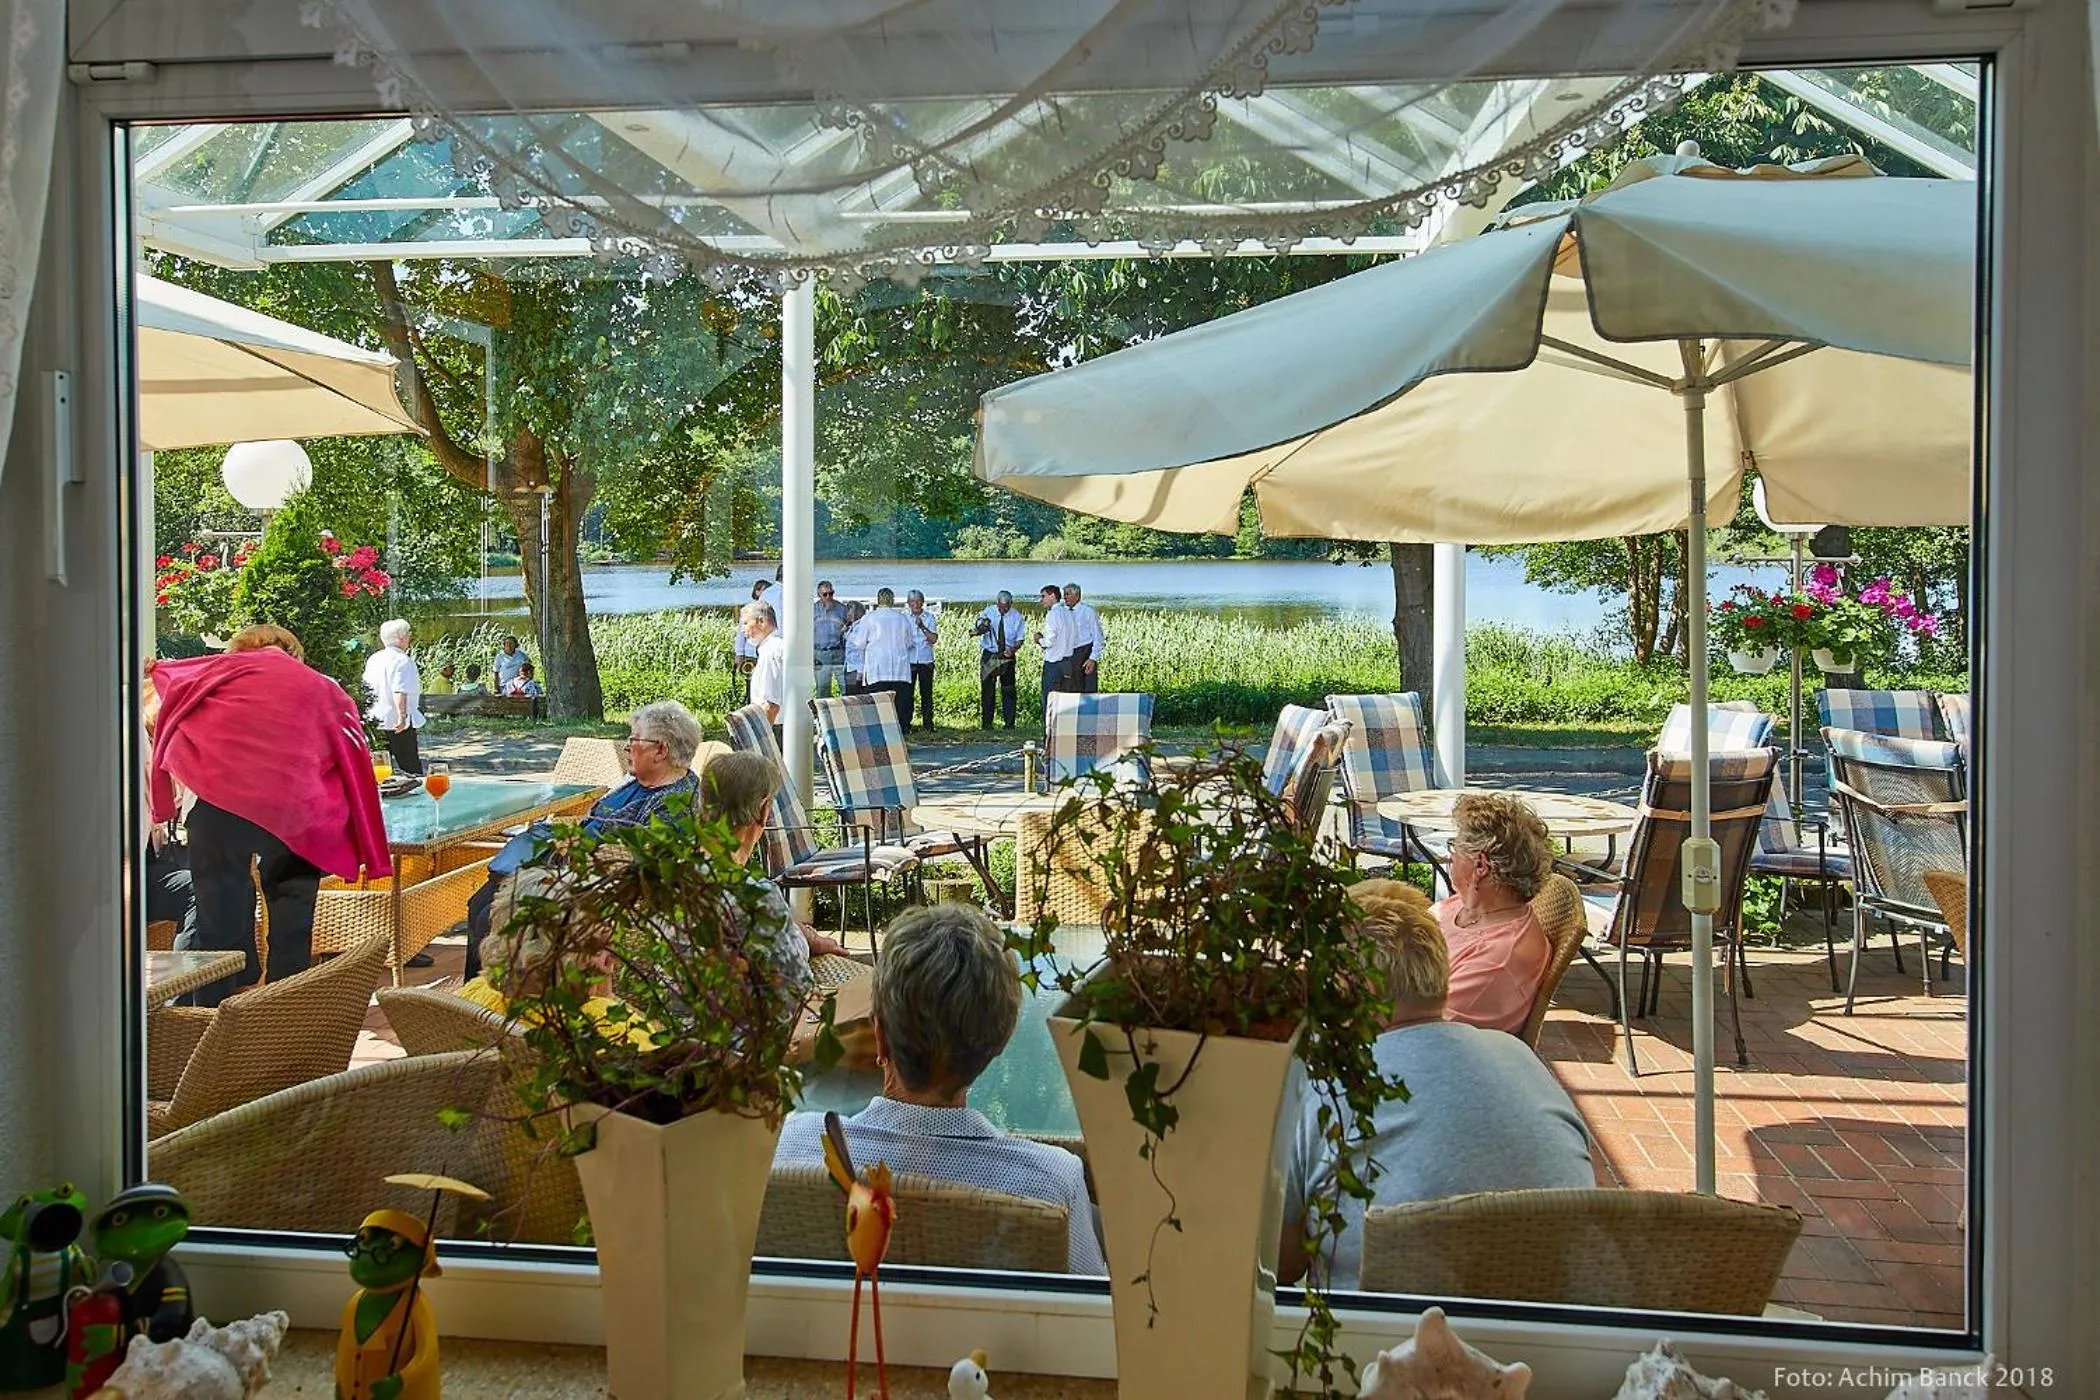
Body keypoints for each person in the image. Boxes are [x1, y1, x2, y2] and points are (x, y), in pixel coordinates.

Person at [1277, 883, 1594, 1290]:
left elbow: (1282, 1265)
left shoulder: (1326, 1085)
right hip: (1555, 1328)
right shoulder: (1518, 1055)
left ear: (1357, 992)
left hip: (1385, 1338)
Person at [773, 903, 1105, 1275]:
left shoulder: (791, 1146)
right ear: (996, 1045)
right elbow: (1094, 1316)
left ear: (880, 1038)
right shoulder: (1051, 1185)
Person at [145, 642, 392, 1006]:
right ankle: (281, 1023)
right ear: (294, 654)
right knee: (292, 929)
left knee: (216, 927)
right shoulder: (320, 687)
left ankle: (205, 1023)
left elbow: (166, 708)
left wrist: (152, 670)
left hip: (219, 811)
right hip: (295, 817)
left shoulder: (211, 678)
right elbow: (351, 755)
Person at [463, 701, 706, 977]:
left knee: (488, 917)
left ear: (661, 750)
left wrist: (573, 853)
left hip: (594, 892)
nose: (627, 746)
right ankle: (476, 997)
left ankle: (491, 1002)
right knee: (480, 902)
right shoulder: (639, 780)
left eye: (634, 740)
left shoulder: (676, 804)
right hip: (565, 868)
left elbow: (640, 868)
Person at [1432, 792, 1556, 1034]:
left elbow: (1427, 1032)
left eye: (1454, 848)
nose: (1450, 857)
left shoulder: (1494, 961)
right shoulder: (1464, 906)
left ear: (1480, 866)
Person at [362, 618, 425, 776]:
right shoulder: (402, 660)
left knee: (380, 766)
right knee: (410, 766)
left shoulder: (374, 659)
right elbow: (399, 690)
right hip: (396, 721)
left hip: (375, 718)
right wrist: (401, 716)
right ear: (402, 637)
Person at [850, 587, 917, 733]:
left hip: (878, 668)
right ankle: (902, 730)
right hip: (899, 669)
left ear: (878, 600)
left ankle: (879, 731)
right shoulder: (902, 618)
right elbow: (910, 642)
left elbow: (860, 644)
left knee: (877, 704)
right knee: (900, 704)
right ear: (892, 600)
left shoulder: (869, 618)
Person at [974, 590, 1026, 729]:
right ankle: (986, 724)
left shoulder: (1017, 617)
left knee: (1008, 690)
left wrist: (1013, 650)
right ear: (997, 603)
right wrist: (982, 626)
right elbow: (977, 628)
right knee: (987, 690)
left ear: (1011, 603)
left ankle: (1009, 724)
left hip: (1007, 655)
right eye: (1001, 607)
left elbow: (1020, 639)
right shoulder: (988, 612)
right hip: (990, 654)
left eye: (1006, 607)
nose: (1003, 610)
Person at [743, 599, 788, 735]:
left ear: (761, 622)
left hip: (776, 727)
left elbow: (771, 704)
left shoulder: (771, 651)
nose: (742, 629)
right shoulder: (776, 646)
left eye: (745, 623)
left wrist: (761, 737)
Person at [905, 589, 939, 733]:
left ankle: (928, 725)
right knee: (907, 694)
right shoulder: (904, 618)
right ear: (908, 603)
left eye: (919, 601)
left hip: (925, 660)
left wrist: (923, 627)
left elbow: (934, 639)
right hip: (910, 661)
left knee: (926, 693)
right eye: (913, 602)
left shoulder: (929, 617)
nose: (916, 605)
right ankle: (907, 724)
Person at [1062, 583, 1105, 693]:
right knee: (1068, 688)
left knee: (1087, 689)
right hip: (1067, 655)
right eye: (1064, 594)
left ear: (1077, 596)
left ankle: (1088, 710)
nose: (1064, 597)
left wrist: (1093, 658)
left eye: (1067, 594)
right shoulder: (1061, 612)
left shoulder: (1088, 611)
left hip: (1085, 653)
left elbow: (1098, 636)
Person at [813, 579, 850, 699]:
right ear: (819, 595)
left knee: (845, 687)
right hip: (821, 653)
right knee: (822, 689)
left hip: (838, 651)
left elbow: (849, 627)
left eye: (831, 593)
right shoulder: (813, 610)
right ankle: (824, 716)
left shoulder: (841, 608)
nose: (829, 597)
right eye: (825, 594)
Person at [1034, 584, 1073, 698]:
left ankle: (1048, 716)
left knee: (1050, 699)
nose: (1041, 600)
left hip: (1054, 663)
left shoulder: (1052, 614)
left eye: (1043, 596)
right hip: (1068, 662)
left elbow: (1049, 642)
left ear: (1052, 596)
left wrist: (1039, 639)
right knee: (1064, 698)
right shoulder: (1068, 613)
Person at [842, 600, 868, 694]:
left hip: (856, 669)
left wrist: (860, 671)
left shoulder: (861, 626)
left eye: (850, 611)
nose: (847, 613)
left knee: (855, 695)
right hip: (850, 667)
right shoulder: (852, 626)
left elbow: (861, 647)